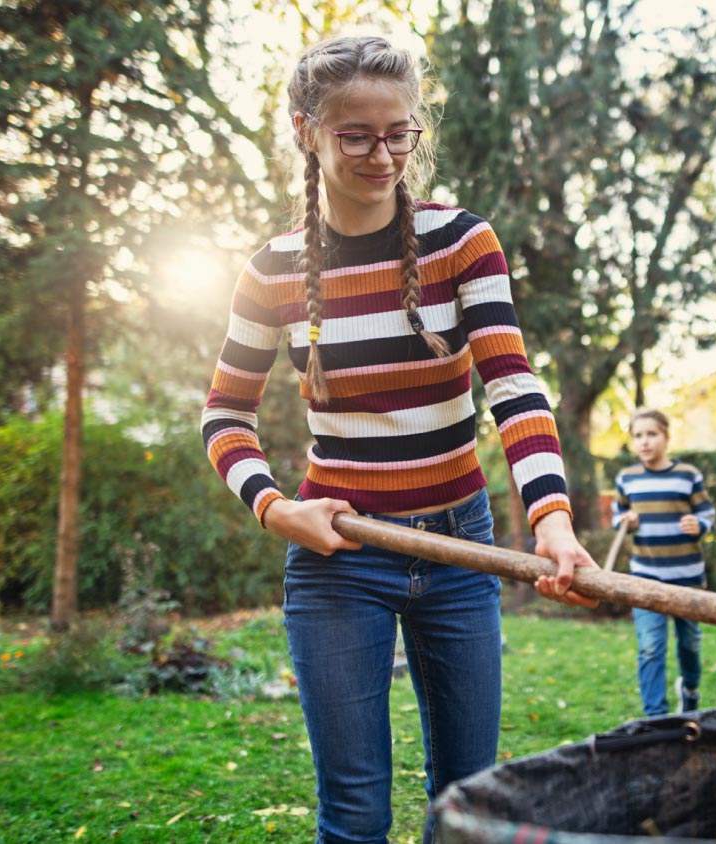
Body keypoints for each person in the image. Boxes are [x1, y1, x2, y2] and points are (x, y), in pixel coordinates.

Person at [200, 34, 598, 844]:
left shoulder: (463, 243)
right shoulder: (270, 271)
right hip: (339, 559)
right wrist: (277, 510)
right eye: (357, 135)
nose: (384, 156)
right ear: (308, 129)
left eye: (400, 133)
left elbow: (512, 386)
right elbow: (224, 415)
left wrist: (551, 518)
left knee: (469, 807)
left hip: (461, 551)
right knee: (353, 816)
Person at [611, 408, 716, 716]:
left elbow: (708, 513)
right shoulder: (626, 478)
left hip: (687, 577)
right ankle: (655, 717)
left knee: (690, 643)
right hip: (645, 578)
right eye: (638, 436)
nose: (644, 442)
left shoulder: (687, 475)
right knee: (650, 647)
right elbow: (618, 516)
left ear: (666, 438)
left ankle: (690, 691)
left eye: (652, 434)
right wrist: (625, 521)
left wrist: (700, 525)